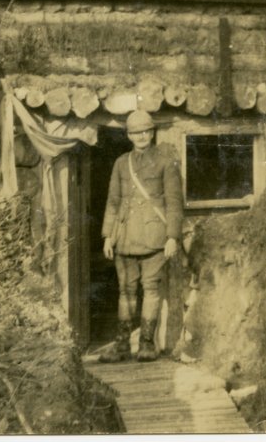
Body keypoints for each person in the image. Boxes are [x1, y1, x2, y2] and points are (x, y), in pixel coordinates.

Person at [99, 110, 183, 363]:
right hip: (124, 237)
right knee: (125, 292)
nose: (142, 136)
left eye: (146, 131)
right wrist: (108, 236)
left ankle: (147, 344)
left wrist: (172, 237)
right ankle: (123, 345)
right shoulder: (121, 163)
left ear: (153, 132)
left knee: (151, 290)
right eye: (136, 132)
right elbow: (113, 202)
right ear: (129, 136)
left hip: (154, 237)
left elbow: (174, 202)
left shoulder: (166, 162)